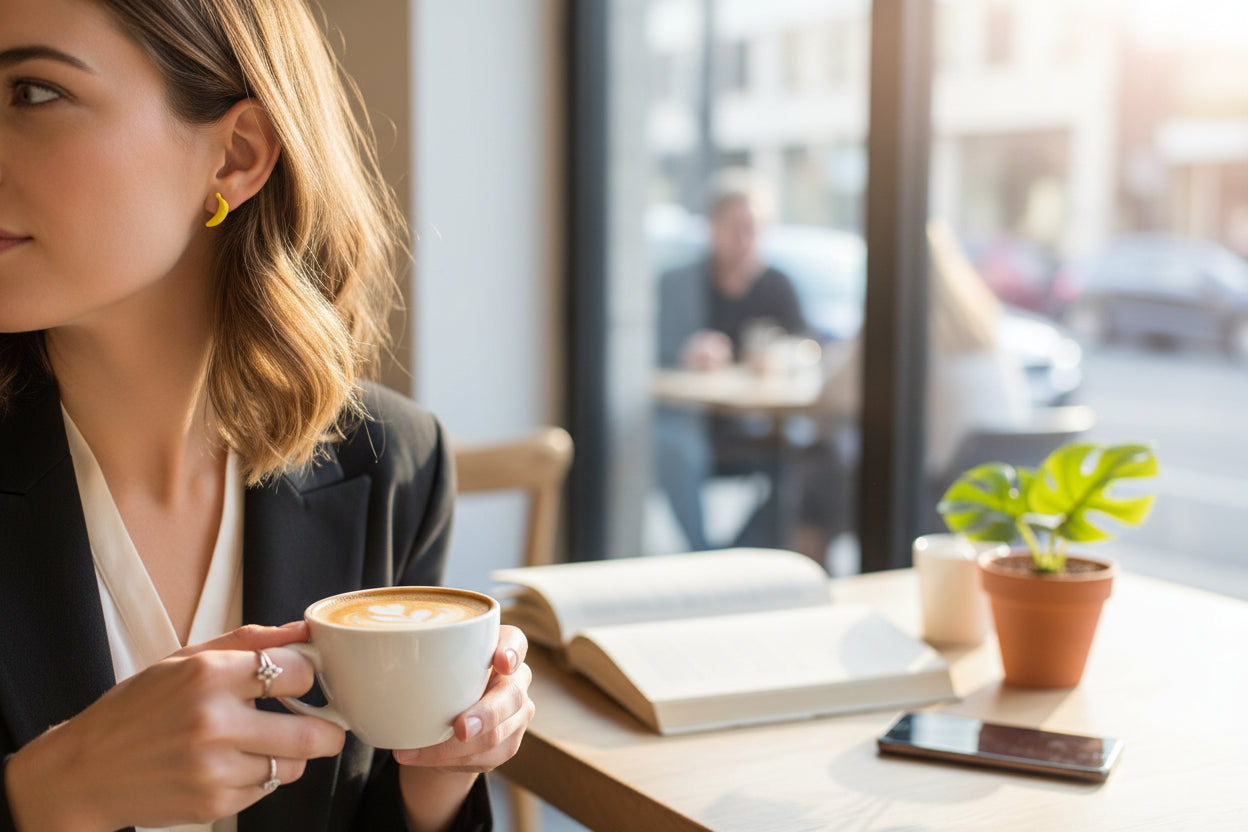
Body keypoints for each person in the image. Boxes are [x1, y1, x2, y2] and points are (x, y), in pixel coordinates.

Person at [0, 1, 532, 830]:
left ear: (236, 156)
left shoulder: (391, 465)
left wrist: (441, 777)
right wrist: (46, 794)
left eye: (31, 93)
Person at [791, 219, 1031, 563]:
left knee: (817, 473)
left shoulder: (901, 324)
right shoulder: (982, 330)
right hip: (994, 498)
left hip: (930, 498)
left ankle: (806, 593)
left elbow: (830, 392)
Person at [654, 172, 807, 551]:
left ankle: (739, 552)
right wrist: (684, 354)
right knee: (675, 449)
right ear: (712, 228)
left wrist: (778, 357)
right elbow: (644, 351)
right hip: (691, 419)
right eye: (736, 228)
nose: (745, 240)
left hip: (753, 424)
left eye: (754, 228)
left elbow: (808, 346)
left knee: (808, 459)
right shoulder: (679, 285)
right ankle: (703, 554)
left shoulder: (777, 285)